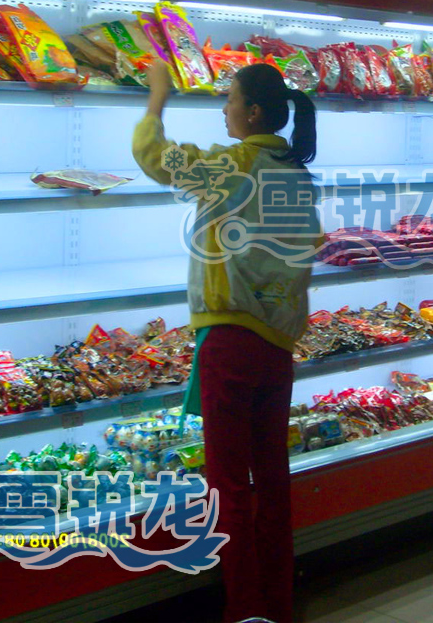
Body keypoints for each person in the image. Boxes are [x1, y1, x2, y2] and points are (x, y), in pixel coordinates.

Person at [132, 60, 321, 623]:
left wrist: (157, 100)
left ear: (254, 111)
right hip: (277, 345)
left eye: (230, 99)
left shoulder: (233, 165)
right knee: (273, 478)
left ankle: (245, 610)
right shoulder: (296, 173)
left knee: (229, 485)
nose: (224, 109)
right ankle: (277, 603)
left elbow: (156, 158)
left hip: (230, 341)